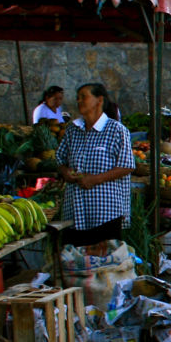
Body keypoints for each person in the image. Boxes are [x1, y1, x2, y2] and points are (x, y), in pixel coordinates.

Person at [56, 83, 133, 247]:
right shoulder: (72, 130)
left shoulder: (117, 130)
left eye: (84, 97)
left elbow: (127, 165)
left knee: (105, 265)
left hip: (105, 213)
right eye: (78, 97)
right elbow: (60, 159)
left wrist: (95, 179)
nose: (79, 101)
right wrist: (65, 172)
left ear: (99, 100)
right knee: (77, 263)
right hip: (75, 211)